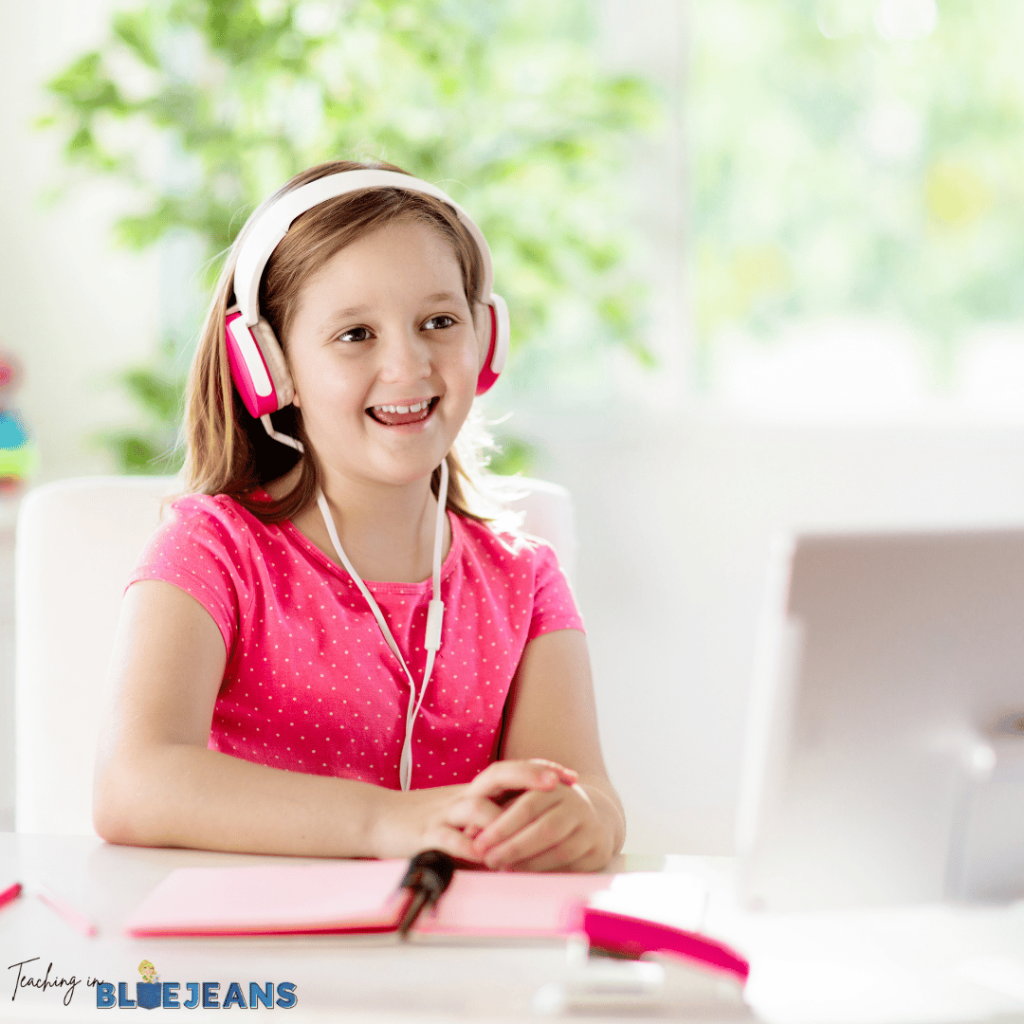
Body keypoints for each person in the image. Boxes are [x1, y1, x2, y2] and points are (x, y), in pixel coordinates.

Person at [94, 159, 625, 872]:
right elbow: (133, 785)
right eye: (355, 335)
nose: (408, 366)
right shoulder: (212, 551)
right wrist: (389, 822)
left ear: (486, 340)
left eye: (439, 321)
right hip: (252, 962)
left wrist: (585, 817)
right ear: (270, 368)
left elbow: (580, 788)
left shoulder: (524, 581)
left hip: (455, 969)